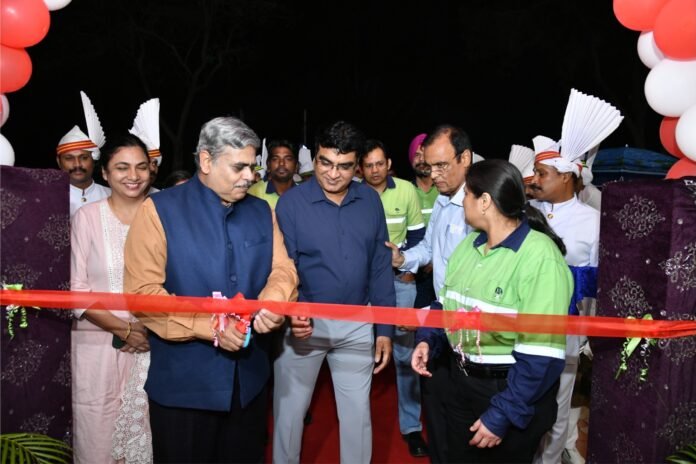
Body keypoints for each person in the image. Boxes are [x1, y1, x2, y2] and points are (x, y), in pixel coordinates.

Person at [123, 116, 298, 463]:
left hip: (249, 385)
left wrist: (273, 303)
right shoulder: (158, 211)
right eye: (239, 167)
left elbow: (283, 269)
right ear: (206, 160)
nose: (250, 176)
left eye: (252, 167)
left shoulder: (262, 211)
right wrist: (210, 327)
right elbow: (143, 293)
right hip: (184, 390)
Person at [412, 159, 572, 463]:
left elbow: (541, 355)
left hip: (509, 390)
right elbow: (446, 305)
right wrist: (428, 340)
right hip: (462, 382)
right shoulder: (468, 247)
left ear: (484, 201)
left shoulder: (540, 258)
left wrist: (503, 413)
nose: (463, 203)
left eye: (466, 196)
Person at [273, 121, 395, 464]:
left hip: (358, 322)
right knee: (289, 415)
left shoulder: (370, 201)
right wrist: (293, 313)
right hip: (305, 324)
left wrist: (384, 328)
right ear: (314, 158)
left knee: (358, 417)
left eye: (343, 166)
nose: (332, 173)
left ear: (357, 167)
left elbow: (380, 265)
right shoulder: (291, 204)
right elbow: (284, 269)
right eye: (325, 162)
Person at [531, 89, 621, 464]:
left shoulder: (593, 221)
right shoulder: (528, 214)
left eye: (542, 173)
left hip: (566, 331)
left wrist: (587, 332)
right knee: (526, 403)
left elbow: (600, 279)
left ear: (566, 177)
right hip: (525, 325)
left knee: (557, 408)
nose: (535, 180)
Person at [388, 124, 473, 463]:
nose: (433, 174)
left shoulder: (480, 205)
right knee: (437, 410)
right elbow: (428, 247)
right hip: (440, 323)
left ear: (465, 158)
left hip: (471, 333)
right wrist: (402, 258)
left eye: (441, 165)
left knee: (465, 422)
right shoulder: (441, 201)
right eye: (429, 165)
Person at [71, 134, 153, 464]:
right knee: (98, 434)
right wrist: (124, 329)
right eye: (122, 167)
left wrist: (148, 329)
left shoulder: (164, 216)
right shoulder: (87, 217)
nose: (133, 176)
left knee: (146, 433)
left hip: (153, 345)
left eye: (141, 167)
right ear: (104, 172)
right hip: (97, 345)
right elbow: (76, 289)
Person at [360, 138, 428, 457]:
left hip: (400, 281)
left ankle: (411, 428)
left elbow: (417, 236)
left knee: (404, 354)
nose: (375, 170)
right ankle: (357, 424)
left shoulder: (406, 190)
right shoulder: (354, 193)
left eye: (379, 163)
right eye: (368, 165)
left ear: (388, 164)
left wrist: (408, 265)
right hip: (362, 286)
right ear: (360, 168)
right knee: (359, 351)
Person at [57, 91, 110, 217]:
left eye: (84, 157)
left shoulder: (112, 196)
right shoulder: (49, 199)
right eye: (69, 158)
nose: (77, 164)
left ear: (93, 159)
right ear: (59, 162)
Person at [248, 138, 299, 208]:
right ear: (268, 165)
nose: (281, 163)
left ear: (296, 166)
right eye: (275, 159)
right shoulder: (253, 192)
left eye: (288, 159)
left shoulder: (305, 194)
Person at [129, 98, 162, 194]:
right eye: (146, 163)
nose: (152, 169)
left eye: (154, 163)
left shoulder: (162, 197)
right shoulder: (110, 197)